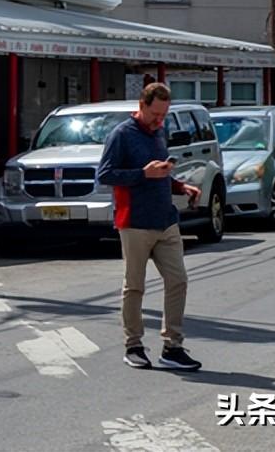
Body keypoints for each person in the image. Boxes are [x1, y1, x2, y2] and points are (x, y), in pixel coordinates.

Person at [97, 82, 203, 372]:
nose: (160, 120)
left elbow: (160, 174)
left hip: (165, 220)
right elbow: (105, 174)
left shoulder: (159, 132)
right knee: (135, 287)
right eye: (156, 114)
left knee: (178, 280)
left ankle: (173, 347)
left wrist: (181, 187)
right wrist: (142, 174)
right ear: (141, 106)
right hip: (134, 222)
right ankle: (133, 345)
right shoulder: (121, 135)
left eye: (164, 115)